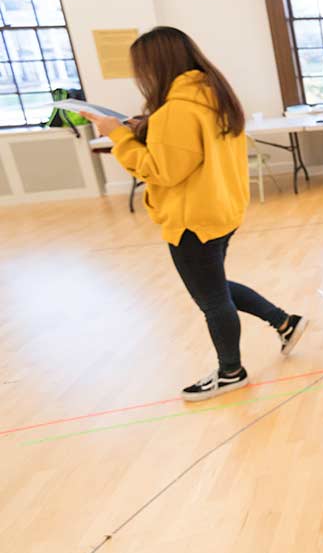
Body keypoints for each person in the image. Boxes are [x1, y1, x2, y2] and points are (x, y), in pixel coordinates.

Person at [84, 27, 308, 402]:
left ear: (157, 65)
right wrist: (145, 128)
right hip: (219, 211)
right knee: (214, 286)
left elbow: (161, 171)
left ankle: (231, 372)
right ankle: (285, 322)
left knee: (211, 298)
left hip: (192, 219)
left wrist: (117, 136)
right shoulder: (211, 95)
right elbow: (187, 151)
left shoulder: (178, 109)